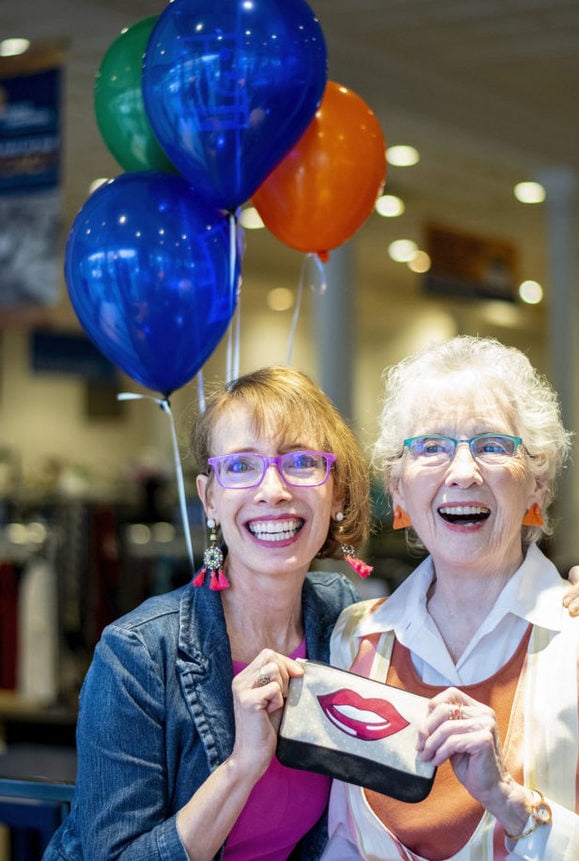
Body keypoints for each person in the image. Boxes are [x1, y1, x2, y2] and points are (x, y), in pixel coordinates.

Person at [43, 365, 372, 861]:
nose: (273, 490)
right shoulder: (136, 655)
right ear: (209, 499)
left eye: (301, 461)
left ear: (337, 490)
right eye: (241, 467)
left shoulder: (346, 620)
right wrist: (242, 765)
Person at [324, 335, 579, 860]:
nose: (463, 473)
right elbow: (341, 841)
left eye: (493, 445)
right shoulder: (355, 637)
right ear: (397, 488)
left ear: (538, 481)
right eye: (432, 447)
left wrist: (510, 801)